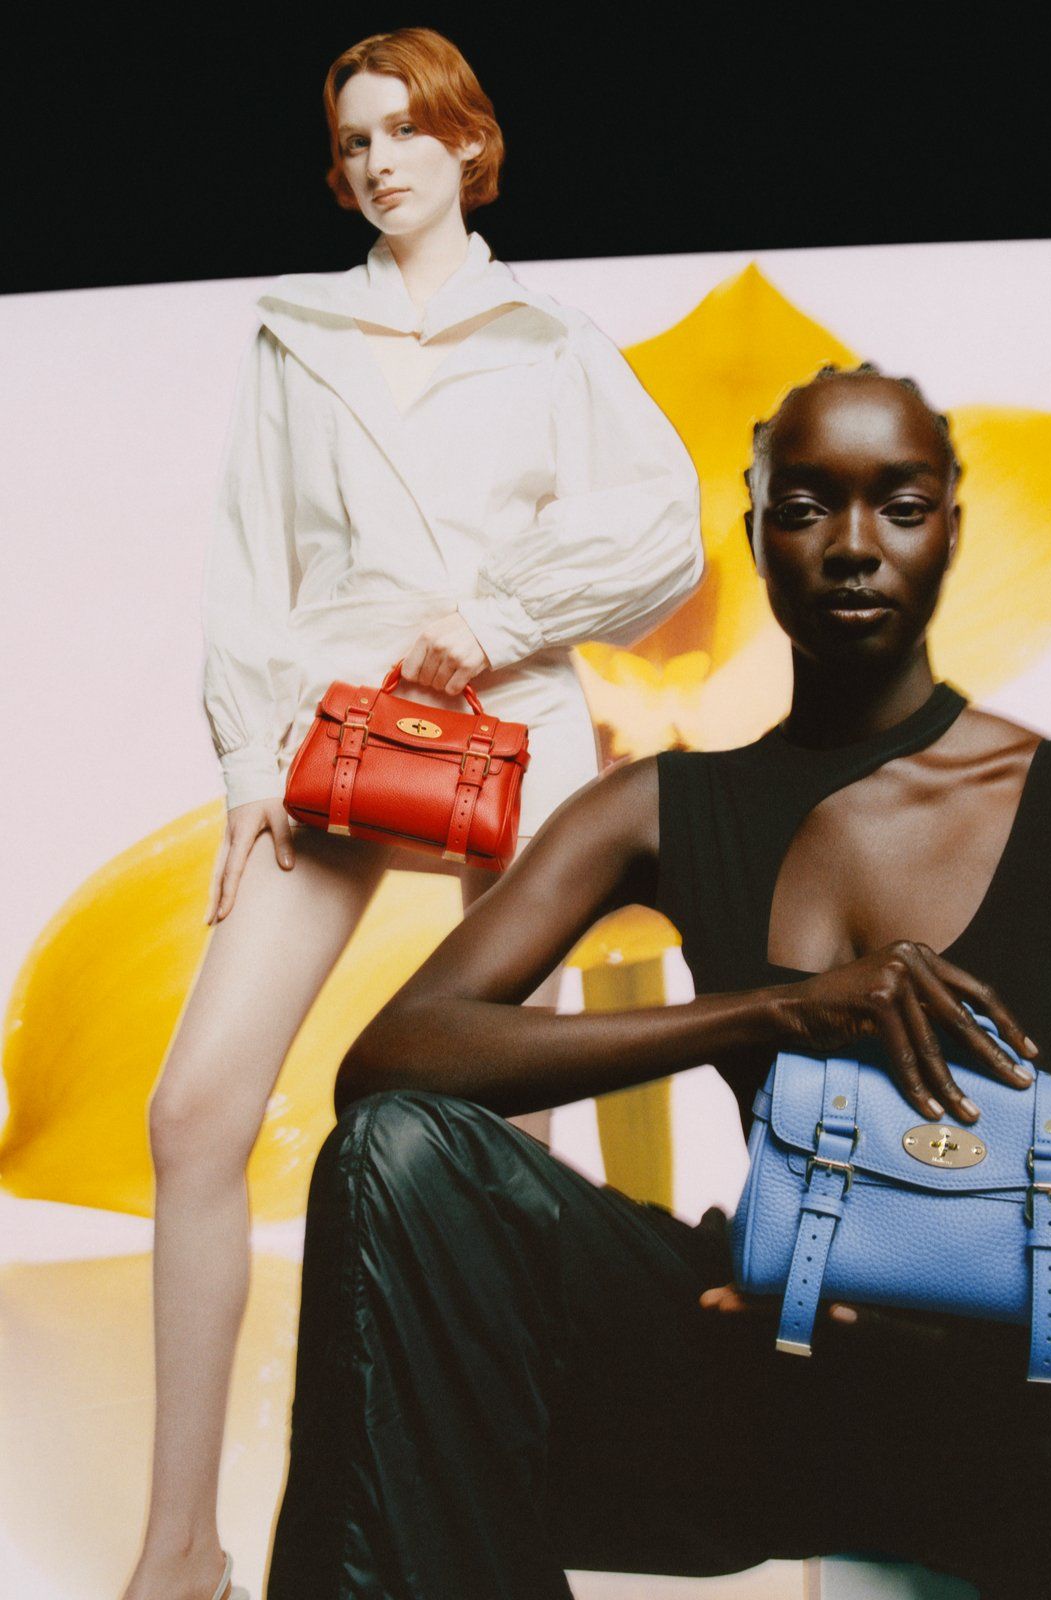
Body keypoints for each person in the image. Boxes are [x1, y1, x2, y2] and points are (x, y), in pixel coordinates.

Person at [266, 364, 1051, 1599]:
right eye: (806, 505)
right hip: (766, 1383)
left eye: (898, 504)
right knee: (400, 1154)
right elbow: (391, 1065)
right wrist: (781, 1008)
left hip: (1031, 1405)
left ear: (952, 530)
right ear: (754, 530)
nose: (849, 546)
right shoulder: (654, 810)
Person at [123, 27, 703, 1600]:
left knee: (501, 1141)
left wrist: (500, 617)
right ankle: (181, 1546)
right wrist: (252, 772)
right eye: (354, 137)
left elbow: (665, 531)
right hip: (333, 738)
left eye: (404, 130)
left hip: (505, 734)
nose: (378, 159)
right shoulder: (295, 336)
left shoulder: (552, 342)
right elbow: (251, 570)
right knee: (194, 1113)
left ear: (466, 147)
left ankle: (516, 1511)